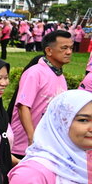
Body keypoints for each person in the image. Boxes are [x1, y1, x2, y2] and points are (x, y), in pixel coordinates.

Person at [10, 30, 72, 158]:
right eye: (64, 48)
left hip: (46, 146)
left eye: (71, 48)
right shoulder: (35, 73)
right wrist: (32, 138)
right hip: (24, 147)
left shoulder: (60, 76)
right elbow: (23, 107)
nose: (69, 52)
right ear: (49, 51)